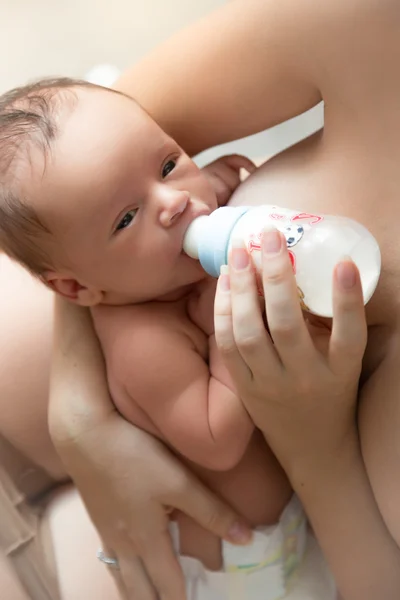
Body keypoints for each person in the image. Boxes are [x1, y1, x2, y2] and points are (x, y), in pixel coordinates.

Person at [2, 0, 400, 598]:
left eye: (171, 164)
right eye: (130, 216)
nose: (176, 201)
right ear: (79, 288)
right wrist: (78, 417)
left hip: (198, 561)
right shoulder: (143, 342)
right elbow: (74, 151)